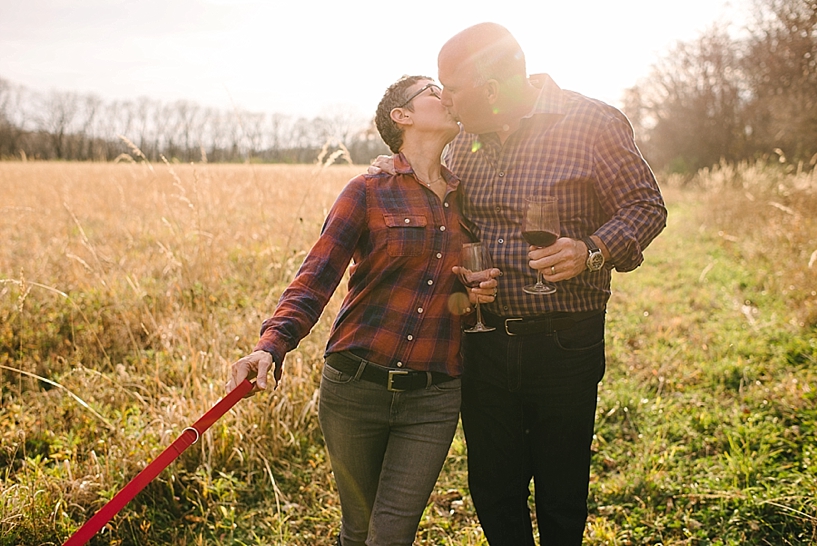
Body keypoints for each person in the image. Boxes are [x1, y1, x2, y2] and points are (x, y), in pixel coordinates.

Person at [371, 22, 667, 546]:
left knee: (560, 488)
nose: (447, 103)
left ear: (489, 88)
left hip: (566, 338)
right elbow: (440, 211)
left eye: (453, 90)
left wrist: (591, 251)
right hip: (481, 340)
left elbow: (647, 207)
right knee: (493, 486)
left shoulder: (592, 122)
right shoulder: (461, 144)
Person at [225, 75, 498, 546]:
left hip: (433, 395)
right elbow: (316, 276)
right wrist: (270, 346)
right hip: (354, 386)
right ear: (402, 116)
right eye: (432, 91)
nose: (446, 96)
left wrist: (473, 290)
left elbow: (459, 281)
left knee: (392, 533)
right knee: (357, 527)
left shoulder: (467, 196)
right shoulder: (367, 190)